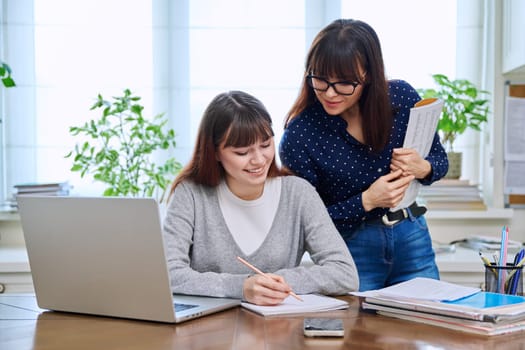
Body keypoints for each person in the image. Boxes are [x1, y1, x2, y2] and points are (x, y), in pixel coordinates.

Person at [279, 19, 449, 291]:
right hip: (350, 248)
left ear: (368, 75)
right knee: (357, 332)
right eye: (320, 80)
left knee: (425, 327)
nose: (330, 93)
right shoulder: (301, 134)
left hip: (412, 234)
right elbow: (306, 222)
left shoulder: (402, 98)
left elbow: (440, 162)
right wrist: (366, 201)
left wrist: (423, 167)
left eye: (345, 83)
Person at [163, 90, 358, 306]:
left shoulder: (298, 194)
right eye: (242, 152)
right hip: (209, 332)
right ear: (215, 152)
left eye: (265, 145)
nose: (258, 160)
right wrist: (241, 287)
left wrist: (273, 284)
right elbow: (168, 273)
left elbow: (344, 273)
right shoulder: (191, 194)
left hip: (279, 329)